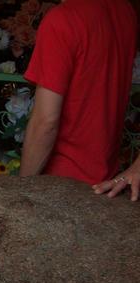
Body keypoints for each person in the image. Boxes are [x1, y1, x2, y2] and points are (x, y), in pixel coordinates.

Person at [20, 0, 140, 201]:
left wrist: (20, 189)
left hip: (59, 184)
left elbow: (46, 123)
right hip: (106, 183)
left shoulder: (62, 19)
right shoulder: (125, 10)